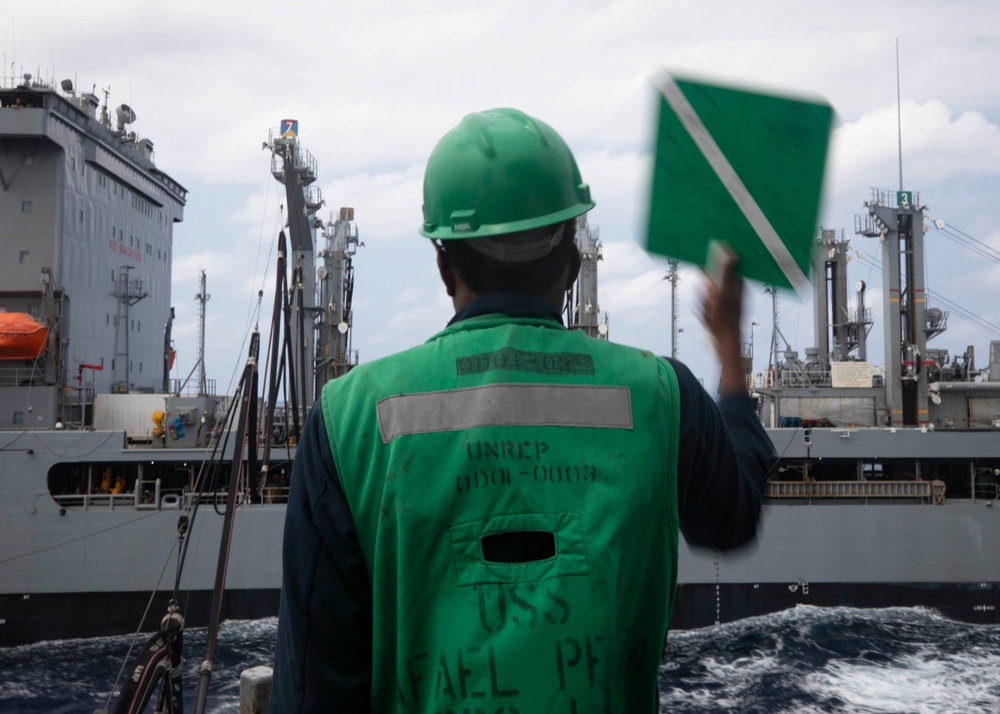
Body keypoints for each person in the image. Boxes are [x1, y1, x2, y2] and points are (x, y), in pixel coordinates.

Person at [271, 107, 775, 712]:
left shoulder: (346, 418)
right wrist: (728, 350)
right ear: (571, 261)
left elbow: (316, 692)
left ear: (443, 263)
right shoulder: (662, 395)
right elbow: (733, 517)